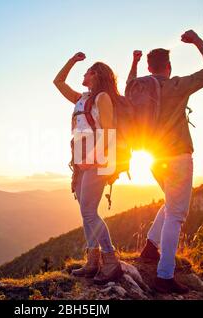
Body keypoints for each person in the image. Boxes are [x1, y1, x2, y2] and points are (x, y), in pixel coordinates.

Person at [128, 30, 203, 293]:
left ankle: (150, 247)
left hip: (152, 157)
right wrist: (196, 41)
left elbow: (128, 87)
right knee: (176, 214)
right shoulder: (178, 84)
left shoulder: (138, 86)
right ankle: (164, 276)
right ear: (169, 67)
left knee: (171, 202)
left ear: (149, 66)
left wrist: (134, 63)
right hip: (178, 157)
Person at [53, 52, 123, 285]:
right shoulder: (82, 98)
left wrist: (93, 158)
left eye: (86, 71)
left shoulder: (103, 97)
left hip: (100, 160)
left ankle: (111, 261)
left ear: (95, 74)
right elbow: (58, 82)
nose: (83, 74)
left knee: (89, 212)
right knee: (86, 213)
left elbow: (109, 131)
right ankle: (93, 262)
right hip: (84, 163)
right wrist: (72, 61)